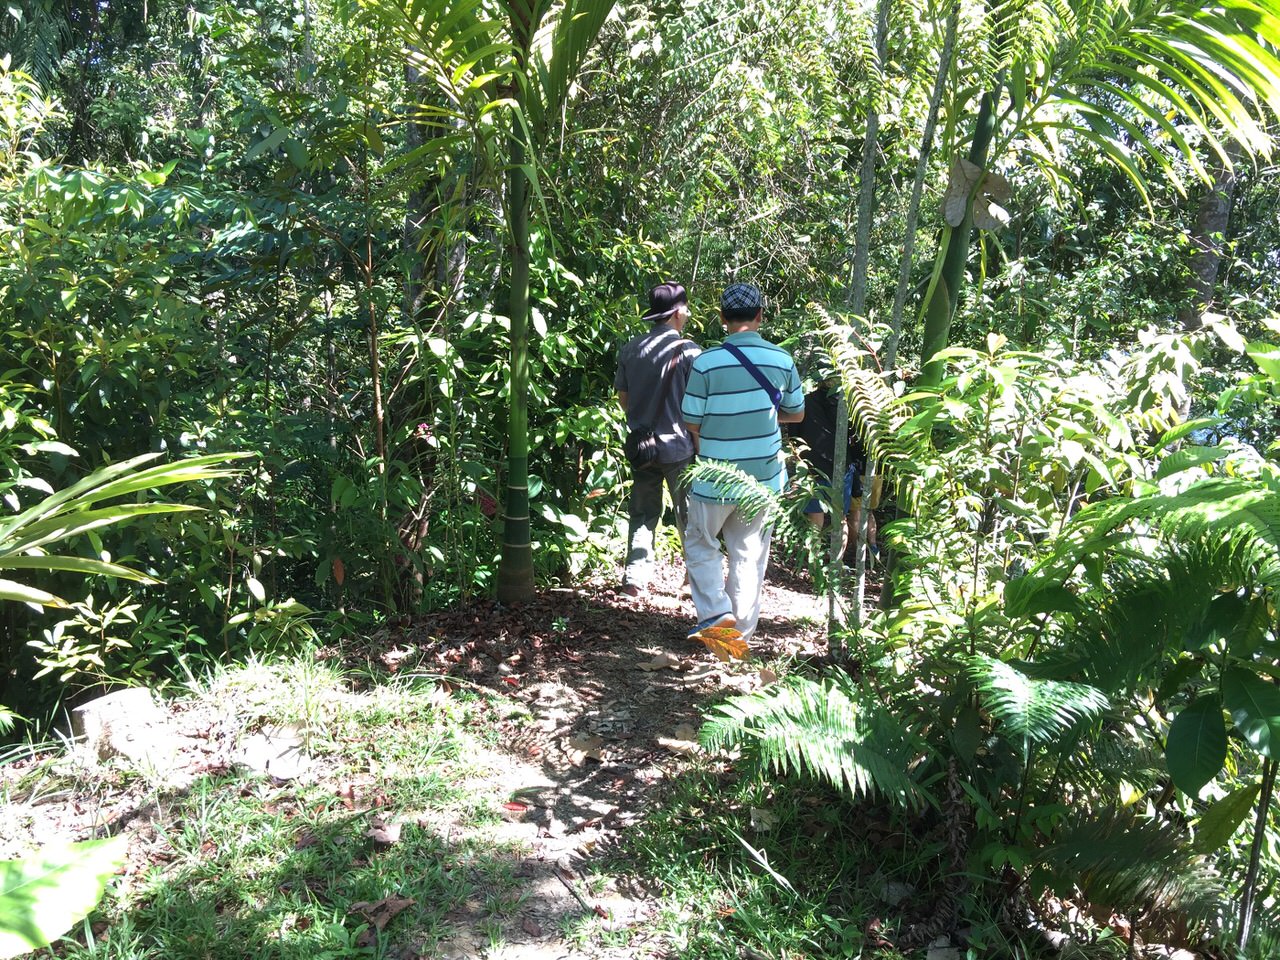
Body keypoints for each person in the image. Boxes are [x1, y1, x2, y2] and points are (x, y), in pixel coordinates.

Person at [680, 282, 805, 640]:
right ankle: (741, 636)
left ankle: (717, 612)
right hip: (763, 480)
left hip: (714, 477)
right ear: (761, 316)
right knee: (749, 554)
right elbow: (796, 415)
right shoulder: (782, 360)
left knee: (701, 544)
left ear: (722, 319)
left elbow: (692, 420)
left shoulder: (706, 363)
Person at [615, 282, 702, 597]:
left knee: (642, 513)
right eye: (686, 308)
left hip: (643, 448)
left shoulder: (631, 349)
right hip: (679, 447)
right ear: (678, 313)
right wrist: (699, 445)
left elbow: (624, 399)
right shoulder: (690, 352)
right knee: (689, 515)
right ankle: (695, 578)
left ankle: (634, 579)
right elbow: (697, 407)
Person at [789, 380, 879, 563]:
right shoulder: (847, 405)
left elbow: (794, 432)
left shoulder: (806, 401)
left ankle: (814, 560)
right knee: (840, 518)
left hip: (812, 466)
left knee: (816, 516)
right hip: (841, 467)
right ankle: (835, 561)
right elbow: (855, 437)